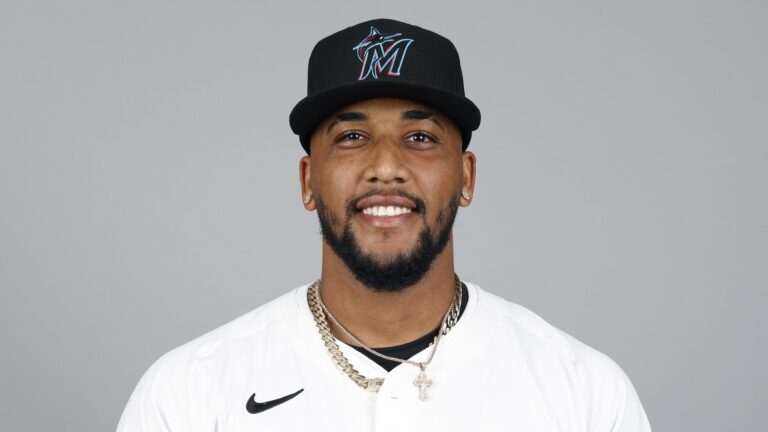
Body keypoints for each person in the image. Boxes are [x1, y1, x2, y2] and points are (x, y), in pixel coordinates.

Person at [117, 18, 652, 431]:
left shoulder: (582, 391)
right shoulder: (189, 391)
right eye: (352, 137)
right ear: (307, 180)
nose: (387, 165)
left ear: (466, 176)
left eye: (420, 137)